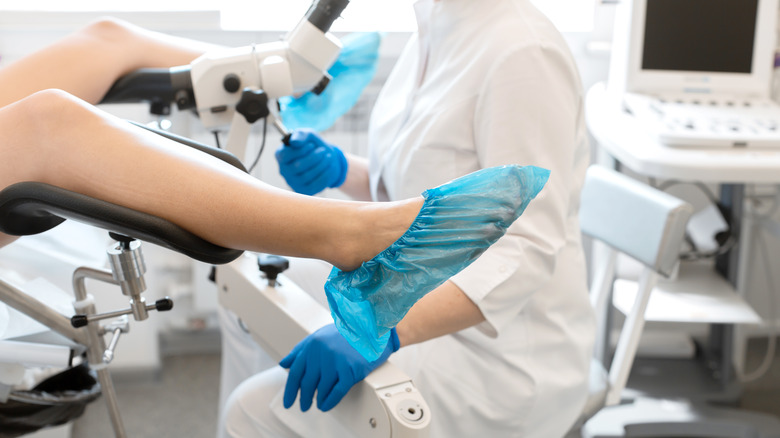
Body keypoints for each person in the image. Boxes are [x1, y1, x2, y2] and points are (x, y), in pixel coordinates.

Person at [219, 0, 597, 437]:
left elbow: (525, 248)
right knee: (244, 287)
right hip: (411, 289)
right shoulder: (435, 25)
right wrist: (343, 168)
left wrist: (383, 326)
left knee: (249, 411)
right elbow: (421, 195)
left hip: (497, 351)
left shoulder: (524, 54)